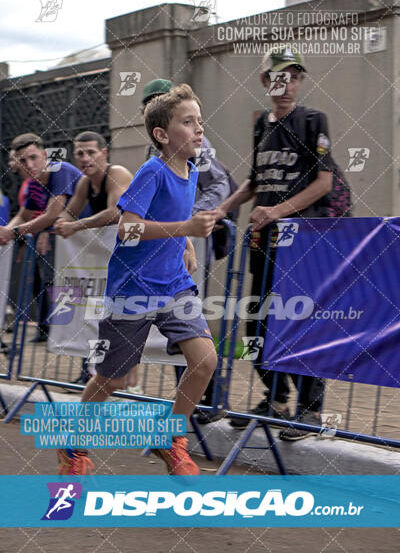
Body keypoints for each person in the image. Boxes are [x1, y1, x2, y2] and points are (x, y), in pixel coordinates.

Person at [57, 84, 218, 476]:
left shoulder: (191, 170)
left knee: (205, 360)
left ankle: (171, 438)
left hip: (173, 285)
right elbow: (127, 231)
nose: (198, 129)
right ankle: (72, 445)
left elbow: (173, 218)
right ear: (162, 135)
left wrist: (185, 245)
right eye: (187, 122)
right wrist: (185, 228)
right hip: (134, 289)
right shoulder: (152, 171)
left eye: (199, 121)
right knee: (114, 378)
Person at [214, 46, 334, 440]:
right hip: (263, 242)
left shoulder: (314, 121)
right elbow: (254, 181)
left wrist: (277, 211)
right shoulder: (260, 126)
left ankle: (310, 409)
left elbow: (324, 182)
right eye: (279, 78)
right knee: (256, 322)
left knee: (300, 322)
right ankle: (276, 397)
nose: (287, 85)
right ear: (266, 82)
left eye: (295, 77)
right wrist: (224, 209)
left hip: (302, 243)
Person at [141, 78, 232, 422]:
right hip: (175, 242)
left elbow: (220, 182)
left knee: (195, 325)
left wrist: (191, 225)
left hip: (200, 234)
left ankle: (209, 400)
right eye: (147, 104)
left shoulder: (194, 140)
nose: (149, 109)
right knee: (176, 335)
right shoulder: (154, 152)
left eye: (156, 101)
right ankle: (186, 405)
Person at [53, 130, 133, 385]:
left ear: (104, 153)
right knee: (97, 313)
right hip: (112, 262)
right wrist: (61, 222)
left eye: (91, 152)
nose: (85, 158)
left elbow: (114, 213)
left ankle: (132, 382)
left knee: (136, 317)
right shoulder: (85, 183)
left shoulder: (116, 173)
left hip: (143, 253)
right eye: (80, 153)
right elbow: (69, 212)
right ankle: (97, 373)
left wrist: (75, 227)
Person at [0, 133, 84, 342]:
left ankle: (68, 334)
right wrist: (5, 231)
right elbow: (23, 214)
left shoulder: (60, 169)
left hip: (86, 238)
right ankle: (52, 332)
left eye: (33, 157)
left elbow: (52, 214)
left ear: (44, 155)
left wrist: (13, 232)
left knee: (70, 286)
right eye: (22, 160)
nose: (28, 164)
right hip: (68, 239)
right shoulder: (34, 181)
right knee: (48, 282)